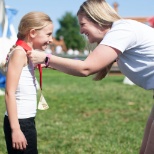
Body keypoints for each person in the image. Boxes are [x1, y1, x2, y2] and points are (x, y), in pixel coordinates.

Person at [27, 0, 154, 153]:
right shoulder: (120, 31)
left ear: (97, 19)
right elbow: (84, 65)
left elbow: (86, 68)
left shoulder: (122, 30)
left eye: (82, 24)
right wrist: (47, 63)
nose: (80, 31)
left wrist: (45, 58)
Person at [3, 11, 53, 154]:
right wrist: (16, 129)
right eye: (48, 34)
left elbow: (50, 63)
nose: (51, 39)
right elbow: (9, 93)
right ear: (32, 33)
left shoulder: (27, 55)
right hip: (20, 123)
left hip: (26, 121)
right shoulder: (19, 53)